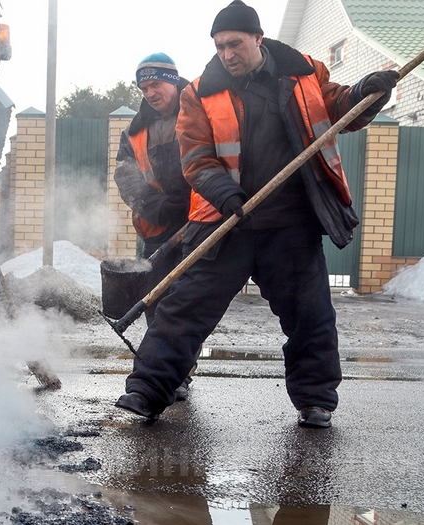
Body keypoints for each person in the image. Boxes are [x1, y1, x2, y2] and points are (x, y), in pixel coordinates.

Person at [115, 0, 398, 428]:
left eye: (234, 43)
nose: (227, 53)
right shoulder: (199, 94)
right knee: (184, 308)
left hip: (291, 224)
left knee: (310, 314)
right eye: (219, 45)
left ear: (257, 38)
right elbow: (196, 158)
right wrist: (224, 192)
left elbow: (338, 107)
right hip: (228, 222)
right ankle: (147, 390)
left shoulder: (303, 73)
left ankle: (315, 400)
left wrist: (364, 94)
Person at [113, 53, 195, 400]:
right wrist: (158, 206)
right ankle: (172, 374)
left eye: (156, 84)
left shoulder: (199, 112)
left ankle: (182, 371)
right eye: (144, 87)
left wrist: (195, 207)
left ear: (173, 80)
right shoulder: (135, 131)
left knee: (190, 300)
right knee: (157, 301)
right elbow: (126, 177)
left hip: (200, 222)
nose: (149, 93)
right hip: (158, 226)